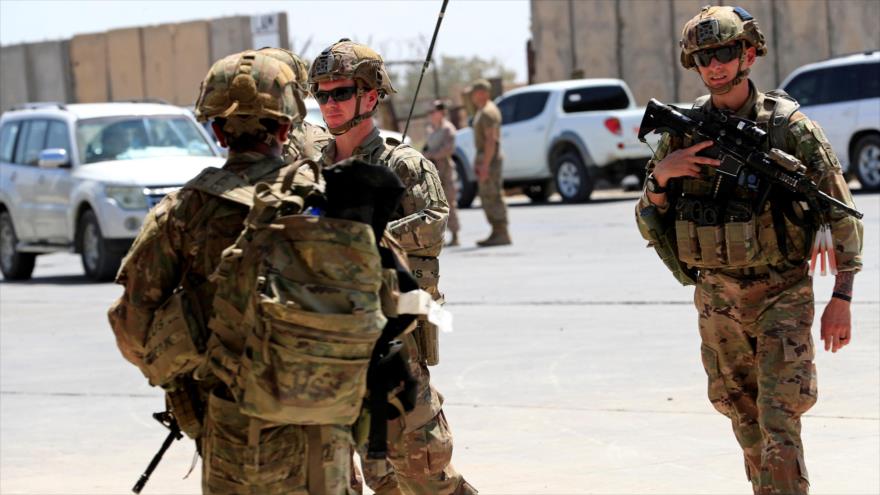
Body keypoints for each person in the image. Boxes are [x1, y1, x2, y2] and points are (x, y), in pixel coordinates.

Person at [108, 50, 363, 493]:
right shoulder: (332, 201)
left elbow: (132, 329)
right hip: (329, 433)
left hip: (236, 437)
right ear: (286, 128)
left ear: (217, 131)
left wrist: (188, 368)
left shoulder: (185, 211)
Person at [635, 6, 863, 494]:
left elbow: (840, 214)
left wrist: (841, 299)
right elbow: (648, 219)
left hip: (782, 294)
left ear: (749, 54)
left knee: (780, 424)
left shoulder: (788, 129)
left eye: (723, 53)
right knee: (746, 425)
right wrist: (663, 174)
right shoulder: (682, 130)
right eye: (702, 58)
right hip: (717, 302)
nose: (714, 66)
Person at [308, 39, 475, 495]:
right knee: (363, 475)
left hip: (391, 340)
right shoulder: (312, 167)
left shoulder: (403, 165)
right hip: (327, 340)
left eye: (340, 92)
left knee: (422, 470)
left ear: (370, 95)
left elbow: (432, 227)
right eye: (321, 94)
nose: (329, 104)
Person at [469, 79, 510, 247]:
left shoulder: (488, 112)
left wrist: (485, 165)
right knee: (488, 195)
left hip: (490, 160)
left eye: (476, 92)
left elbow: (491, 140)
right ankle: (496, 231)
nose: (474, 96)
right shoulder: (484, 110)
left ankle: (501, 232)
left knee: (492, 195)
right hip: (487, 158)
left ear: (483, 93)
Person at [423, 99, 460, 246]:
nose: (431, 115)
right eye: (430, 112)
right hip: (432, 168)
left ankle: (455, 233)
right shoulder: (431, 130)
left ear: (441, 112)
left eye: (434, 111)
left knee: (449, 200)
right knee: (433, 203)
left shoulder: (447, 129)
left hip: (445, 168)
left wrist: (432, 154)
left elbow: (448, 149)